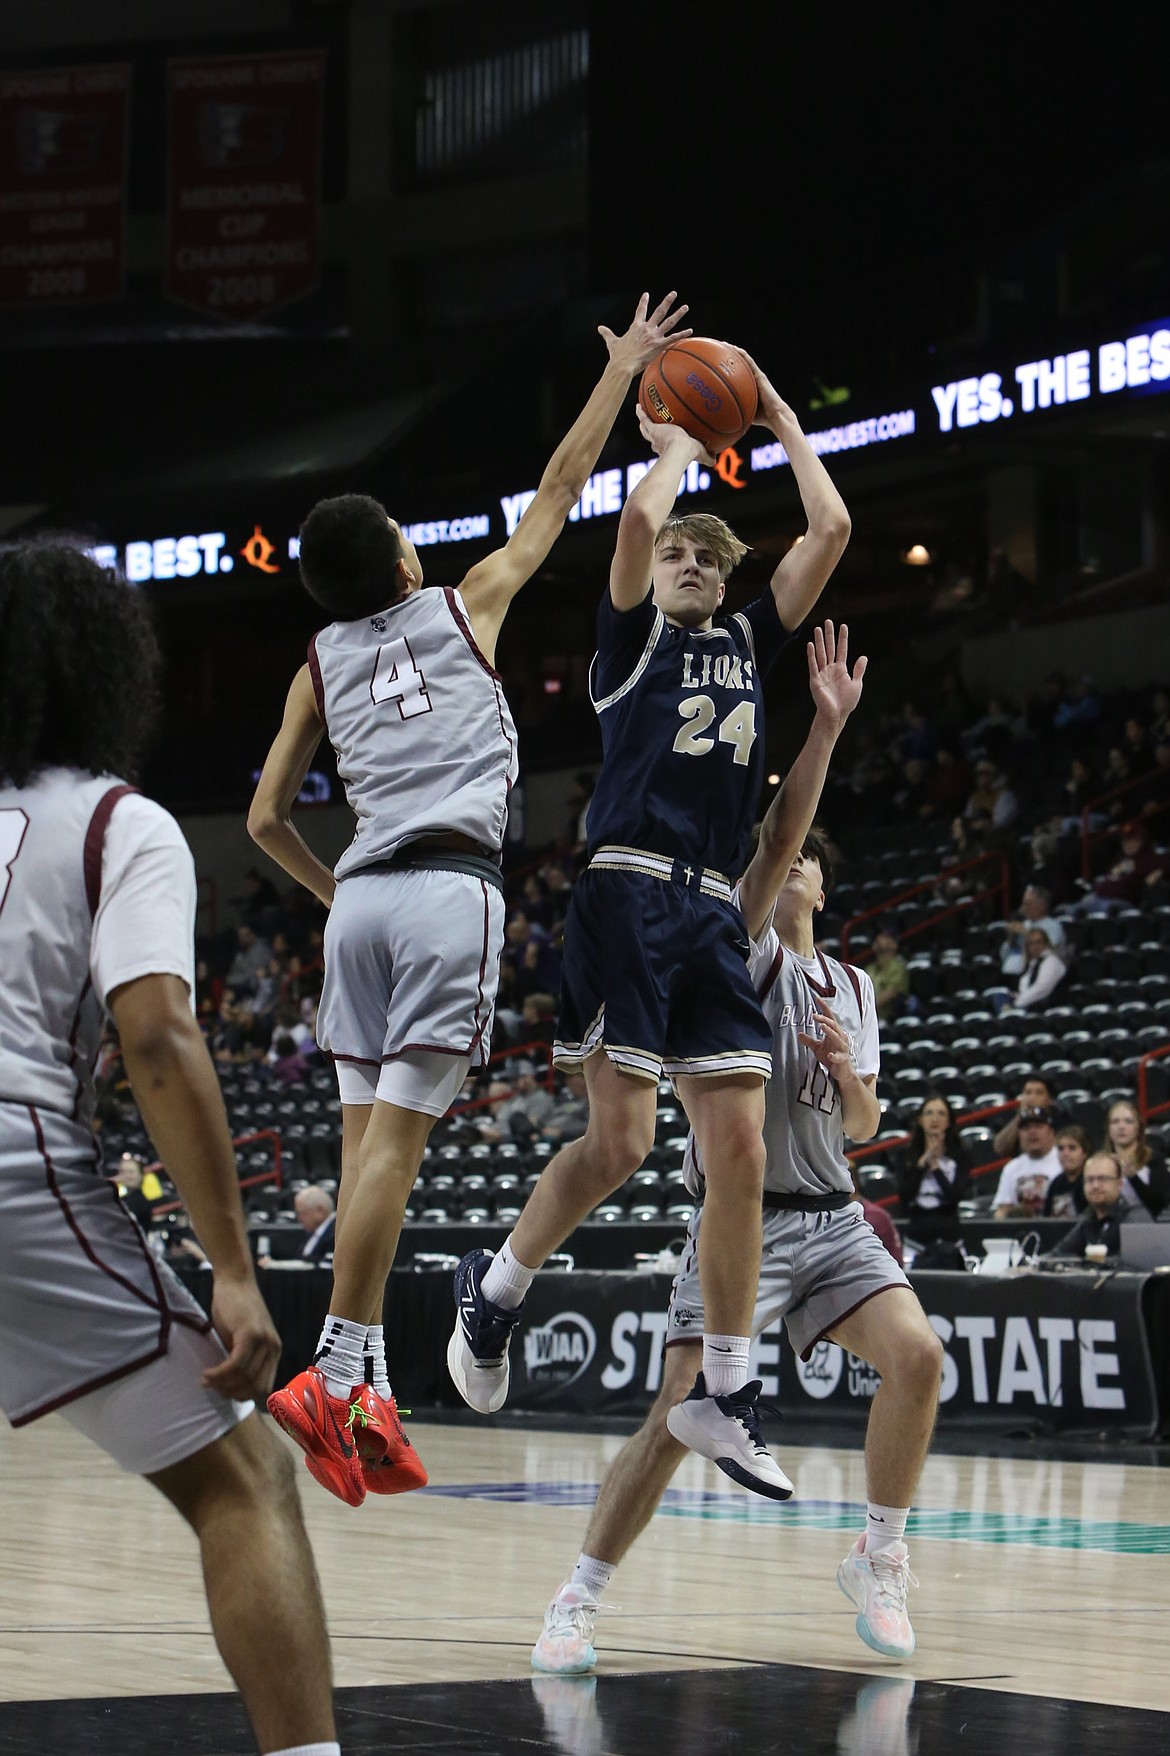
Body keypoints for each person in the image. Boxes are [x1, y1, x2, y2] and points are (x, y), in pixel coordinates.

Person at [248, 292, 693, 1506]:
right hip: (447, 886)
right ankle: (335, 1367)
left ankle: (368, 1378)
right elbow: (559, 485)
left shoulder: (318, 665)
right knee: (394, 1150)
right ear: (401, 558)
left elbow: (262, 820)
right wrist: (624, 373)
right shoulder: (463, 604)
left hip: (360, 906)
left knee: (362, 1161)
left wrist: (334, 890)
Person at [448, 355, 852, 1500]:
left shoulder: (746, 645)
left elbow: (830, 528)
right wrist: (675, 437)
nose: (683, 558)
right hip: (625, 889)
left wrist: (775, 412)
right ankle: (499, 1291)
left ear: (727, 578)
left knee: (740, 1149)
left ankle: (726, 1388)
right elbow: (631, 518)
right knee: (620, 1146)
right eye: (678, 550)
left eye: (704, 555)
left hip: (717, 908)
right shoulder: (630, 647)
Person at [530, 625, 943, 1670]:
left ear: (826, 887)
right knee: (677, 1412)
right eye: (787, 855)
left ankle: (880, 1556)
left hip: (834, 1214)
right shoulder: (738, 943)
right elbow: (769, 836)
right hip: (741, 1223)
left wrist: (855, 1079)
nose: (793, 863)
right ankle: (579, 1597)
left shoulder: (851, 986)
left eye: (808, 861)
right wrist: (825, 728)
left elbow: (864, 1128)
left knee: (921, 1359)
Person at [0, 542, 337, 1756]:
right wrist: (233, 1268)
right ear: (110, 671)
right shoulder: (115, 823)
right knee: (246, 1481)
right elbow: (156, 1031)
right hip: (15, 1154)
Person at [893, 1093, 970, 1258]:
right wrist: (922, 1165)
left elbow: (955, 1196)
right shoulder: (905, 1156)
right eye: (929, 1113)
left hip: (951, 1239)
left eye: (941, 1113)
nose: (935, 1118)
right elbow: (905, 1196)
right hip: (916, 1240)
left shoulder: (960, 1155)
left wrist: (936, 1169)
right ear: (920, 1120)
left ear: (949, 1121)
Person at [1045, 1153, 1154, 1258]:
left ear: (1119, 1184)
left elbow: (1132, 1263)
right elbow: (1058, 1254)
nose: (1095, 1185)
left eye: (1103, 1179)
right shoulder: (1089, 1217)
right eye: (1090, 1180)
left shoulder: (1135, 1217)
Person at [1103, 1099, 1169, 1218]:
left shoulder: (1154, 1160)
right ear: (1108, 1128)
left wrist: (1132, 1177)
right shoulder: (1100, 1162)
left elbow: (1159, 1204)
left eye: (1128, 1121)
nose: (1121, 1127)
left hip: (1146, 1226)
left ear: (1138, 1127)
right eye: (1115, 1122)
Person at [992, 1105, 1062, 1217]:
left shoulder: (1064, 1160)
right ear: (1019, 1135)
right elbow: (1002, 1210)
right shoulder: (1012, 1168)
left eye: (1038, 1126)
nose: (1032, 1132)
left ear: (1051, 1132)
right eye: (1026, 1128)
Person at [998, 884, 1066, 977]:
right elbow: (1004, 955)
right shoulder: (1025, 924)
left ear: (1042, 905)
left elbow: (1046, 952)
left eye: (1029, 904)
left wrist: (1026, 933)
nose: (1024, 908)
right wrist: (1011, 938)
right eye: (1024, 904)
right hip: (1013, 974)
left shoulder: (1054, 926)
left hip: (1042, 975)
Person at [259, 1186, 337, 1267]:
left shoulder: (335, 1234)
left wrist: (274, 1265)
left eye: (302, 1213)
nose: (299, 1219)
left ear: (319, 1211)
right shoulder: (311, 1233)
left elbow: (319, 1265)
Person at [991, 1073, 1054, 1159]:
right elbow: (999, 1148)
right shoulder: (1015, 1119)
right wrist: (1021, 1115)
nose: (1032, 1097)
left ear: (1049, 1099)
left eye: (1039, 1093)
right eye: (1028, 1093)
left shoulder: (1058, 1119)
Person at [1009, 926, 1067, 1011]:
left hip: (1049, 1010)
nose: (1035, 947)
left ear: (1046, 943)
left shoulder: (1051, 961)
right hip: (1029, 1006)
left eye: (1038, 942)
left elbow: (1041, 989)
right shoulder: (1033, 964)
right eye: (1031, 943)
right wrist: (1018, 997)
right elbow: (1027, 989)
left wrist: (1016, 1004)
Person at [864, 928, 911, 1022]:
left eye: (886, 937)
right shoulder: (869, 969)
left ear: (894, 945)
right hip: (867, 1016)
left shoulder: (898, 967)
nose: (879, 938)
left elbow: (892, 993)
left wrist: (867, 1010)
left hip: (888, 1017)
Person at [1044, 1125, 1091, 1217]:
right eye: (1061, 1149)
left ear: (1084, 1153)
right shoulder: (1056, 1183)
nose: (1065, 1153)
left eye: (1072, 1148)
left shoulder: (1091, 1181)